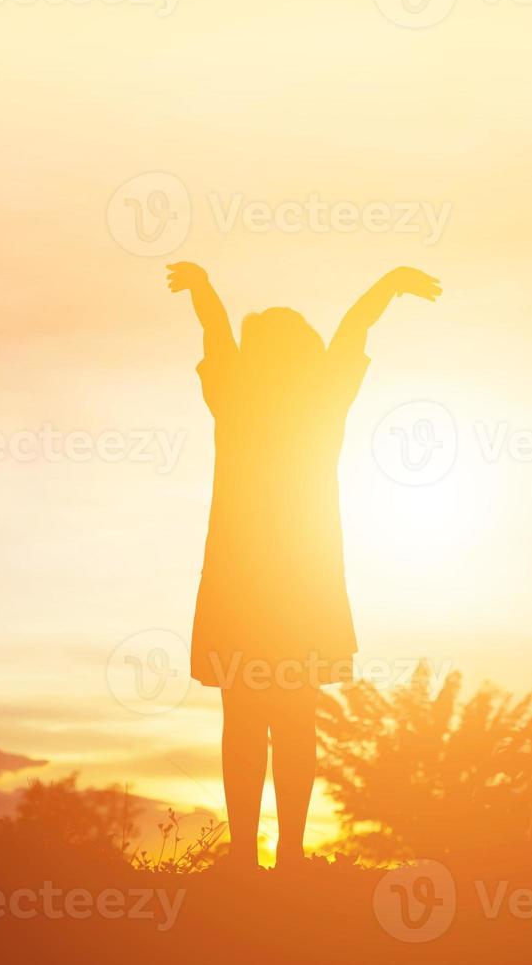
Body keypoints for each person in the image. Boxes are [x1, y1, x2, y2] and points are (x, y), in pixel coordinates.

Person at [166, 261, 442, 871]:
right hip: (299, 592)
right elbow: (351, 331)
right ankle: (285, 855)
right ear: (306, 354)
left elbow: (220, 338)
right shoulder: (320, 399)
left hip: (243, 590)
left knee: (247, 724)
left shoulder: (238, 399)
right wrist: (386, 284)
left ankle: (249, 857)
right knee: (292, 723)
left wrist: (207, 291)